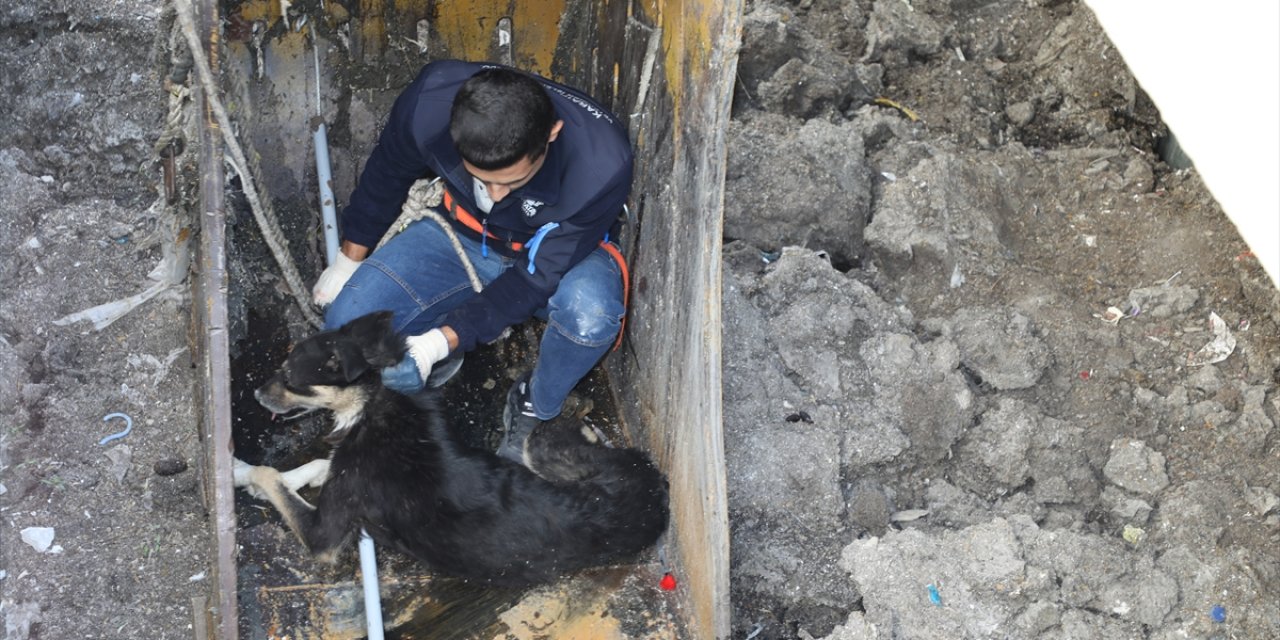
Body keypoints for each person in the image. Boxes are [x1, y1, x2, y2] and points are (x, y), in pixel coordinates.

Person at [312, 60, 633, 464]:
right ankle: (440, 356)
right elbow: (385, 176)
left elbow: (533, 280)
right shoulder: (429, 106)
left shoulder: (599, 165)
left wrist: (433, 344)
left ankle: (537, 405)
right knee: (347, 321)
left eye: (512, 181)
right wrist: (347, 262)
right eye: (482, 178)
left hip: (561, 259)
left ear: (551, 135)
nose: (496, 195)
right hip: (459, 236)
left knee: (590, 319)